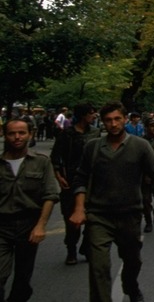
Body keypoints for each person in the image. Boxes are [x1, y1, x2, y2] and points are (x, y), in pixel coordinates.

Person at [69, 101, 154, 302]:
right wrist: (79, 208)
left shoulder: (140, 146)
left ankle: (131, 286)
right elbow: (80, 179)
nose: (113, 124)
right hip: (99, 216)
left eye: (117, 119)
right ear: (102, 123)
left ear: (125, 119)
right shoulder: (93, 147)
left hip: (130, 216)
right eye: (108, 120)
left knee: (132, 262)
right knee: (99, 268)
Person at [0, 119, 59, 302]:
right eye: (12, 133)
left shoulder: (40, 162)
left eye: (21, 133)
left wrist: (41, 225)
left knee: (22, 279)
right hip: (2, 225)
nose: (17, 137)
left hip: (28, 226)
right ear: (4, 135)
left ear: (30, 134)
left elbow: (50, 195)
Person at [50, 102, 100, 265]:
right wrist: (59, 175)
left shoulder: (95, 133)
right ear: (83, 115)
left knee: (94, 217)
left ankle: (86, 246)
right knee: (72, 219)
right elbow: (55, 156)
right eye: (91, 113)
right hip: (72, 179)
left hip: (93, 180)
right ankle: (71, 249)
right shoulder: (67, 134)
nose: (94, 116)